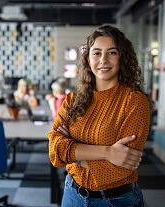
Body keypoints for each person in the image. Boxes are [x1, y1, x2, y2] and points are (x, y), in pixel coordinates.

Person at [48, 25, 150, 207]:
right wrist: (108, 152)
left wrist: (73, 153)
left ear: (122, 58)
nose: (103, 60)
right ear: (88, 58)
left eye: (112, 52)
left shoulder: (134, 101)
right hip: (73, 195)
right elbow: (55, 152)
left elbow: (122, 165)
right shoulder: (72, 100)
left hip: (117, 200)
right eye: (96, 53)